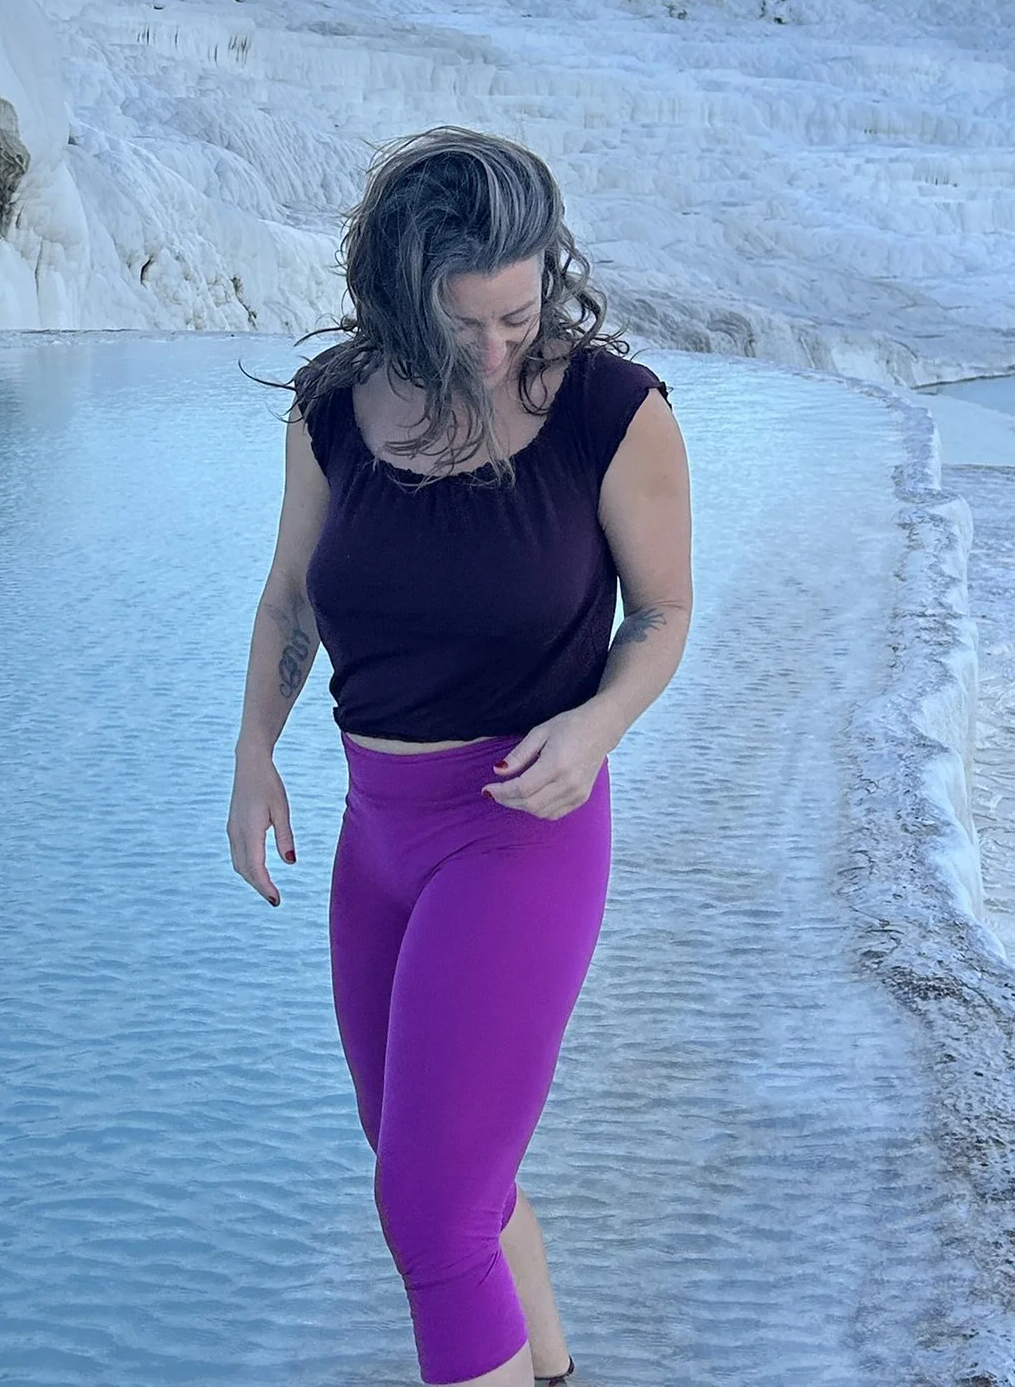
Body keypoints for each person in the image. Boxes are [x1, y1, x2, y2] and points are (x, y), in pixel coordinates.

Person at [227, 126, 693, 1387]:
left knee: (429, 1215)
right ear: (400, 294)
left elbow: (662, 612)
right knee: (443, 1185)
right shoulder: (336, 407)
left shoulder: (610, 409)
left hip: (520, 828)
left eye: (520, 313)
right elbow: (290, 600)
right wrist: (254, 749)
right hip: (378, 839)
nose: (496, 349)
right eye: (465, 322)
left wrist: (596, 726)